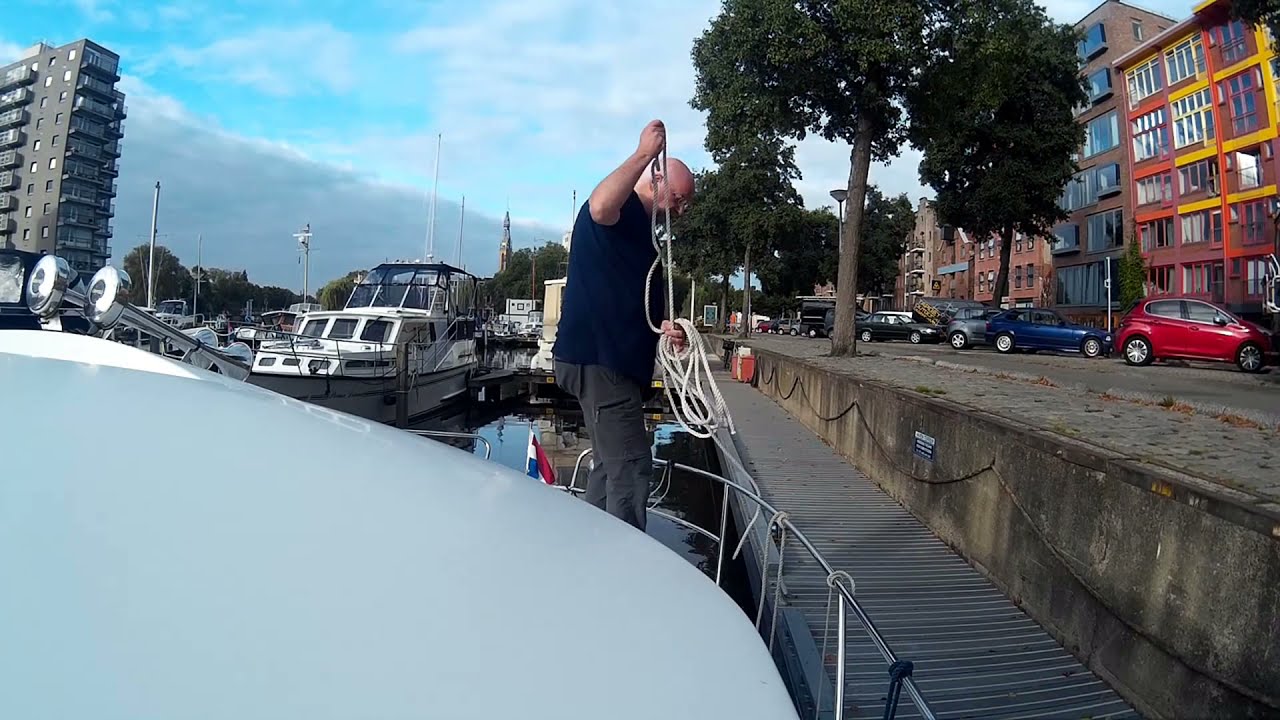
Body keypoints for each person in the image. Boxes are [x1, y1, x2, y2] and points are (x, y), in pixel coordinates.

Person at [553, 119, 695, 531]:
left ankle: (592, 544)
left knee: (609, 466)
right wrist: (643, 154)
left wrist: (667, 329)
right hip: (601, 362)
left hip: (611, 364)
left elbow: (637, 300)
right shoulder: (621, 211)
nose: (683, 210)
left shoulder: (646, 234)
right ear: (655, 178)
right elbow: (599, 206)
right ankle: (627, 573)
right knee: (632, 468)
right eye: (680, 198)